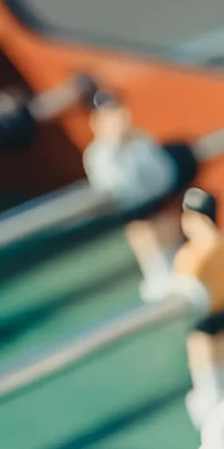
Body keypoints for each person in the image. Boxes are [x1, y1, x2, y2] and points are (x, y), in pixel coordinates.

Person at [82, 90, 187, 302]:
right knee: (144, 234)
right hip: (133, 206)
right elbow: (111, 182)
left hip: (157, 197)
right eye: (109, 114)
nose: (118, 118)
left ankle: (178, 268)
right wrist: (114, 141)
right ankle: (158, 277)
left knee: (168, 225)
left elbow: (160, 169)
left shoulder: (141, 139)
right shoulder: (99, 152)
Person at [169, 188, 224, 419]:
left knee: (203, 347)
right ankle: (222, 387)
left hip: (205, 313)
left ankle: (210, 391)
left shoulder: (191, 254)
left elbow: (183, 283)